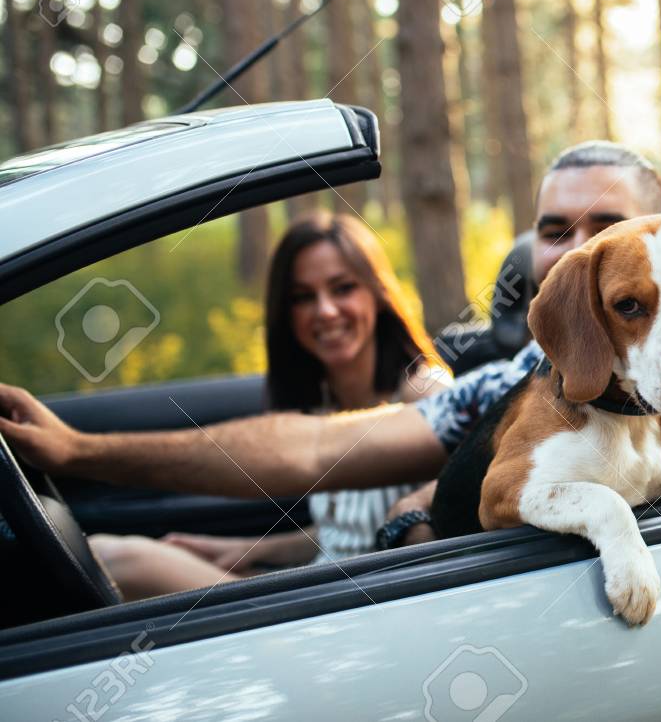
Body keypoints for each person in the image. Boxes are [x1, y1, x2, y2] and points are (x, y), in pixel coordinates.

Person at [0, 142, 661, 587]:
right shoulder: (512, 381)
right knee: (119, 556)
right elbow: (319, 449)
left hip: (422, 612)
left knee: (116, 563)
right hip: (389, 589)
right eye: (555, 229)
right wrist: (79, 450)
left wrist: (425, 513)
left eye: (607, 227)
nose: (574, 248)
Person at [88, 212, 446, 599]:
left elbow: (446, 520)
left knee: (113, 558)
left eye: (342, 288)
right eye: (303, 297)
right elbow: (342, 532)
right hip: (318, 586)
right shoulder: (323, 403)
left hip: (341, 611)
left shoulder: (425, 393)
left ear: (377, 294)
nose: (325, 310)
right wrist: (247, 550)